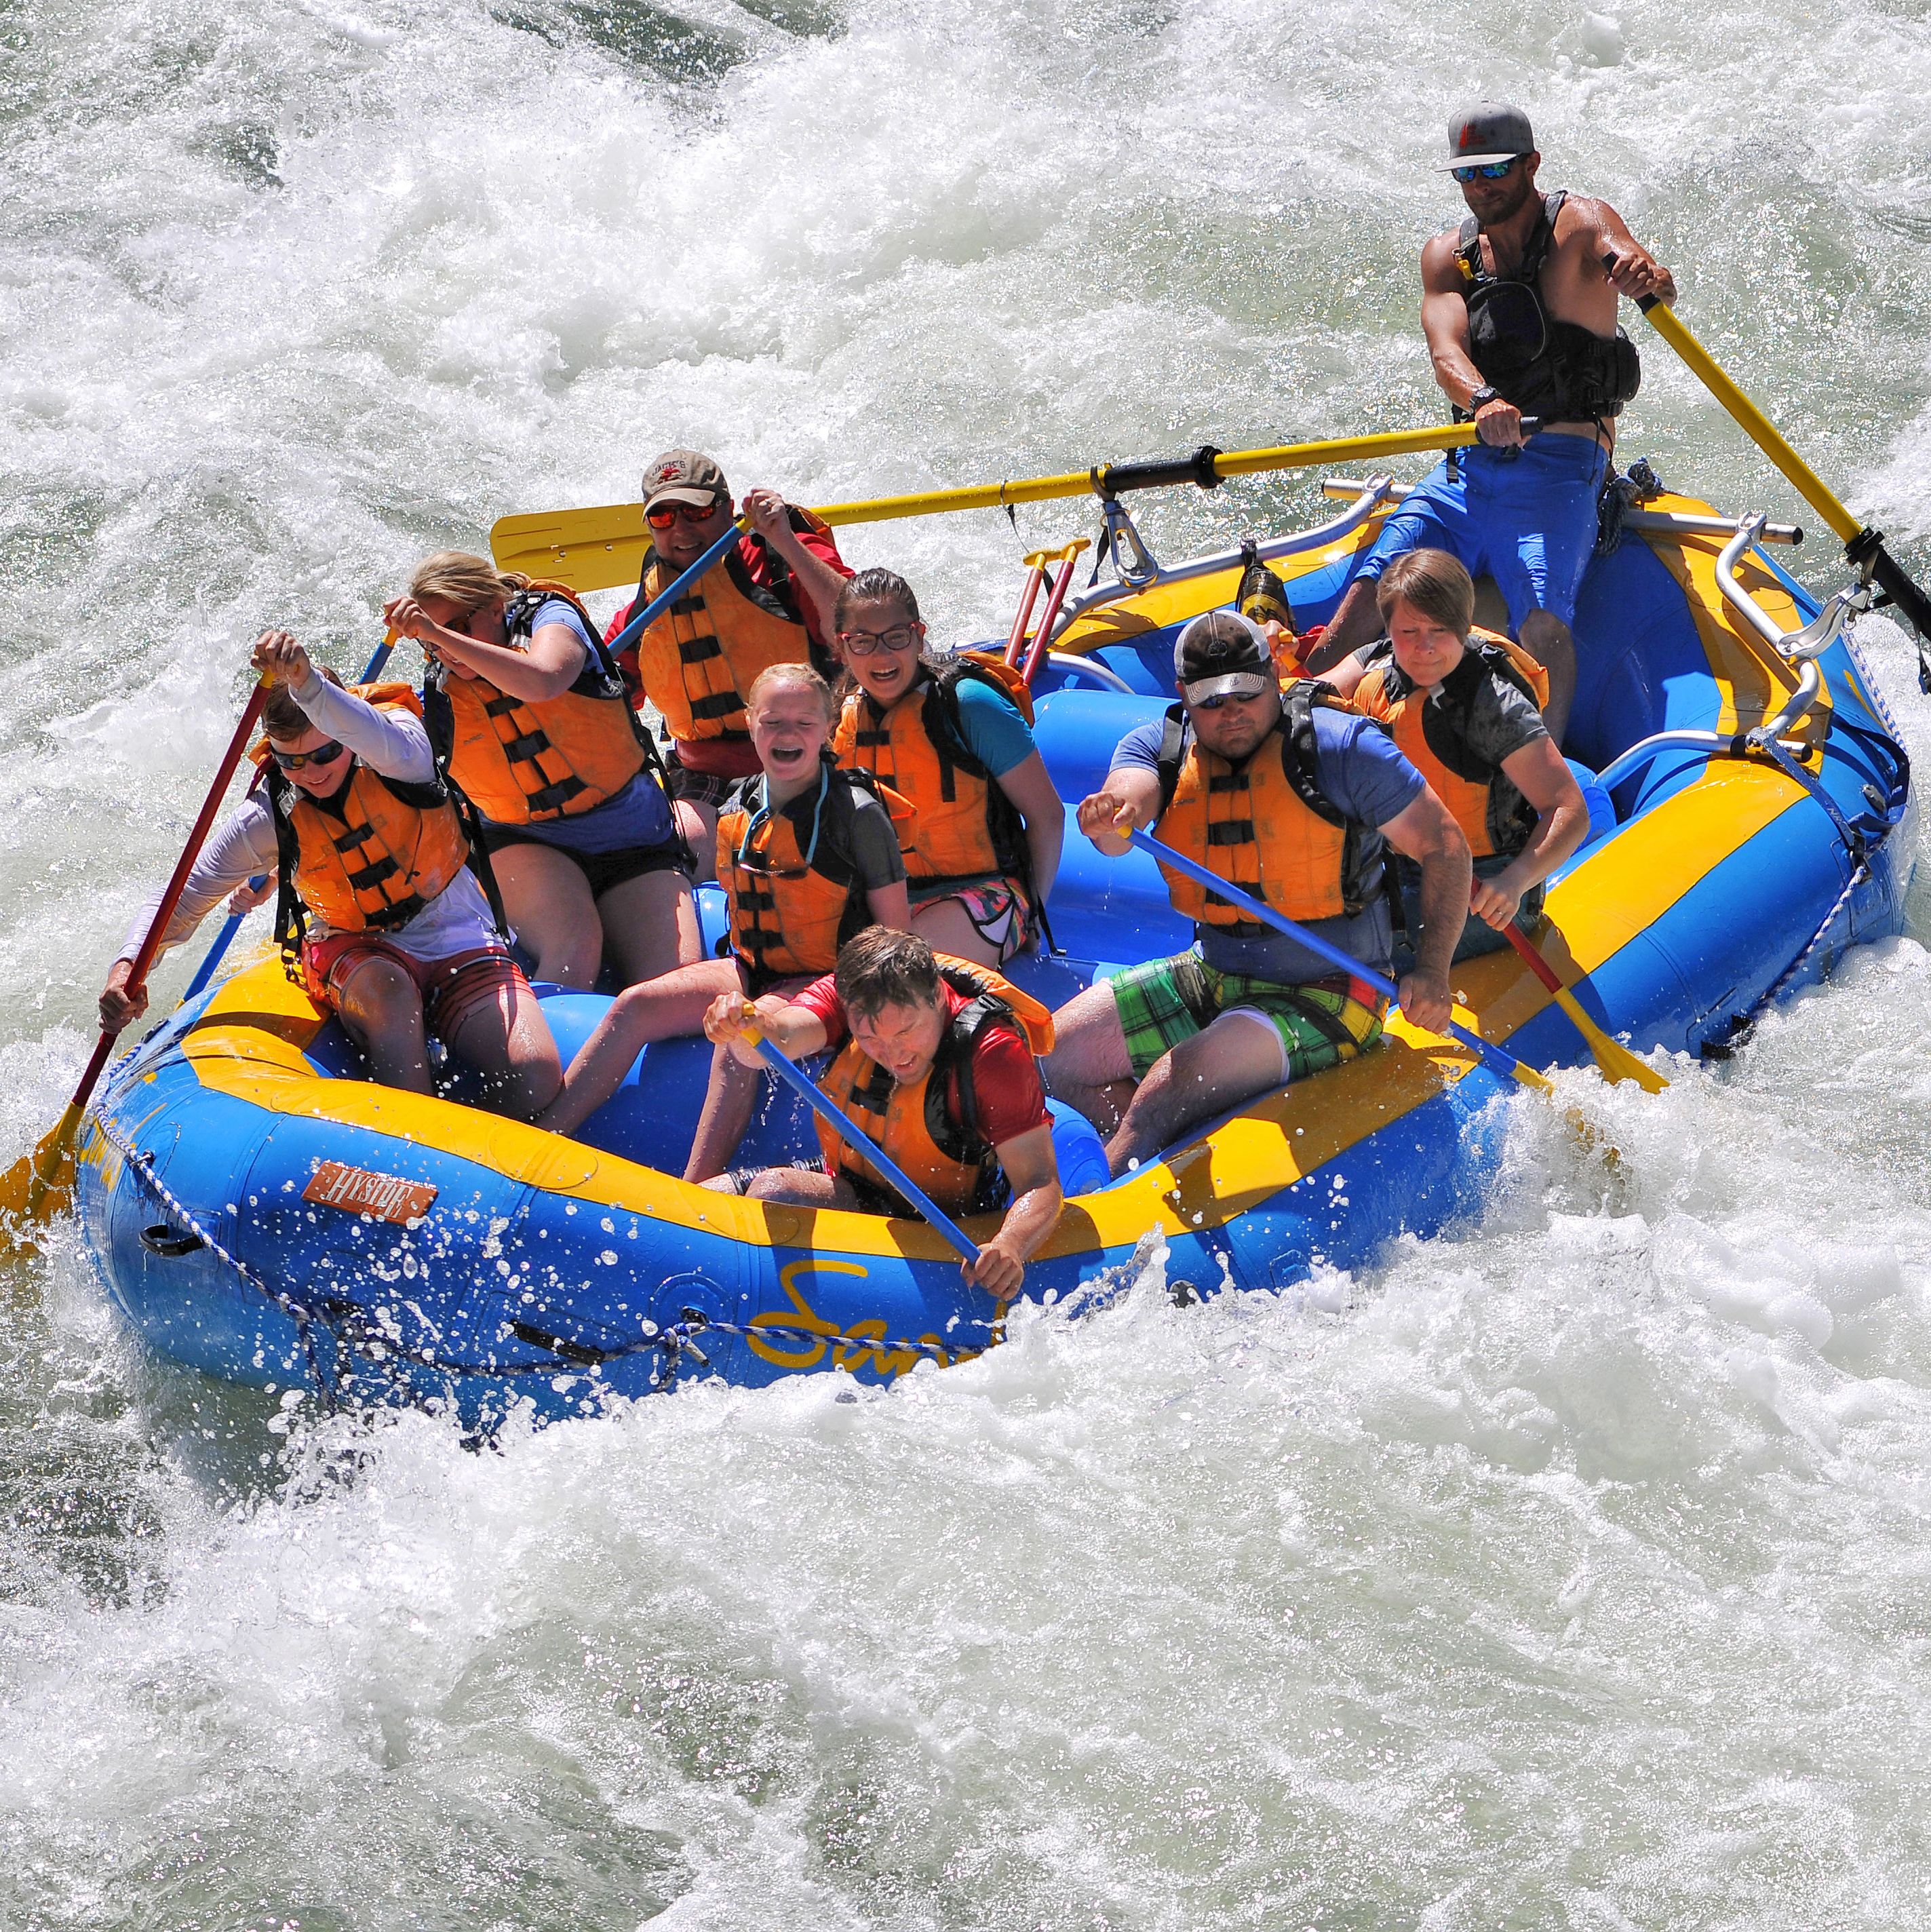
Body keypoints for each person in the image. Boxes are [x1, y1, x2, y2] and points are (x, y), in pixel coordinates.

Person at [1042, 611, 1471, 1176]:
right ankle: (1145, 1168)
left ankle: (1101, 1212)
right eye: (1211, 700)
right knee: (1053, 1058)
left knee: (1170, 1087)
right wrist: (1112, 815)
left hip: (1334, 989)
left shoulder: (1342, 748)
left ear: (1273, 677)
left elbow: (1446, 848)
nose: (1232, 712)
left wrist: (1434, 969)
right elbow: (1129, 809)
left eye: (1246, 692)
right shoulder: (1160, 747)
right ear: (1184, 698)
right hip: (1215, 973)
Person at [1310, 102, 1677, 742]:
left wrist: (1645, 272)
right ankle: (1298, 723)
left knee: (1541, 627)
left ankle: (1548, 774)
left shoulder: (1580, 224)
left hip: (1562, 470)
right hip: (1466, 471)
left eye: (1495, 170)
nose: (1480, 186)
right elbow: (1444, 351)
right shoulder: (1444, 256)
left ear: (1531, 164)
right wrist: (1483, 399)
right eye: (1466, 174)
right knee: (1370, 591)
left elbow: (1635, 261)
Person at [98, 631, 562, 1119]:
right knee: (389, 990)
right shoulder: (267, 816)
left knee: (533, 1073)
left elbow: (373, 734)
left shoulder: (400, 749)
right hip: (354, 948)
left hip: (457, 934)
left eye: (324, 754)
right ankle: (413, 1135)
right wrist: (127, 970)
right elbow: (183, 897)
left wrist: (306, 682)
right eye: (291, 761)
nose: (312, 772)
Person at [534, 664, 912, 1171]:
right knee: (634, 1003)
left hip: (833, 981)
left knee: (739, 1039)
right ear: (750, 722)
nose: (787, 735)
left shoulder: (857, 813)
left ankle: (696, 1192)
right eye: (773, 721)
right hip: (753, 968)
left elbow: (895, 936)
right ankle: (541, 1144)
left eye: (804, 723)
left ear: (827, 730)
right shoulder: (740, 802)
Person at [383, 552, 697, 991]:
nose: (444, 651)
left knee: (673, 982)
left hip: (634, 842)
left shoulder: (549, 618)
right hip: (525, 842)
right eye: (430, 644)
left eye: (456, 629)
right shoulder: (441, 689)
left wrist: (435, 633)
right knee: (575, 947)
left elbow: (544, 679)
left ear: (496, 607)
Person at [701, 929, 1063, 1300]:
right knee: (701, 1202)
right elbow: (773, 1041)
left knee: (774, 1193)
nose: (895, 1055)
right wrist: (744, 1025)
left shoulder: (993, 1052)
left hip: (942, 1218)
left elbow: (1041, 1183)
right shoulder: (849, 996)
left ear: (938, 997)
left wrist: (1011, 1244)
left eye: (907, 1031)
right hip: (850, 1180)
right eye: (871, 1039)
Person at [1323, 549, 1589, 965]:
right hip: (1394, 869)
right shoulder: (1375, 662)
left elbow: (1569, 810)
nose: (1424, 647)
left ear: (1464, 627)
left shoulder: (1493, 706)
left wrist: (1515, 881)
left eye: (1440, 630)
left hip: (1481, 886)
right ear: (1388, 630)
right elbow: (1307, 698)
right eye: (1408, 631)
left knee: (1341, 956)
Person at [607, 450, 853, 873]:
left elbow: (854, 630)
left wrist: (785, 540)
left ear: (725, 509)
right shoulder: (652, 597)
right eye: (663, 518)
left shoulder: (776, 555)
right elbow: (603, 691)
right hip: (704, 776)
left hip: (808, 757)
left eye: (695, 512)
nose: (681, 529)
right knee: (677, 859)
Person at [830, 568, 1065, 966]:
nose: (882, 656)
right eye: (864, 642)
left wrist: (1032, 917)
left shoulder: (969, 704)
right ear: (843, 647)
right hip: (888, 899)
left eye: (897, 638)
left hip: (984, 891)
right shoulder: (843, 717)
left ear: (919, 635)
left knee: (900, 974)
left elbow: (1048, 816)